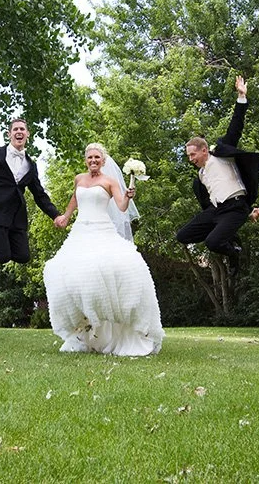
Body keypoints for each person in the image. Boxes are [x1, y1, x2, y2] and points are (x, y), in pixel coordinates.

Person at [43, 143, 164, 356]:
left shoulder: (110, 181)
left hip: (102, 230)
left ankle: (118, 334)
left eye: (97, 157)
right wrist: (65, 216)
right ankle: (84, 334)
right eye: (90, 157)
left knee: (113, 271)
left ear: (104, 160)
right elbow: (75, 198)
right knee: (66, 273)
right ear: (85, 160)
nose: (93, 161)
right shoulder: (79, 179)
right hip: (80, 232)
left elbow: (121, 206)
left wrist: (128, 195)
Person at [176, 76, 259, 277]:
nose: (190, 159)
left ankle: (234, 252)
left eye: (193, 154)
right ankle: (230, 236)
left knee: (212, 243)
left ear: (204, 150)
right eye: (188, 156)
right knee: (183, 236)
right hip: (216, 211)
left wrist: (241, 97)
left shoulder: (221, 155)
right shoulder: (200, 176)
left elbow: (235, 127)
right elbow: (206, 202)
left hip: (235, 206)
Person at [0, 118, 61, 264]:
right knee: (2, 257)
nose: (19, 132)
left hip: (17, 216)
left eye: (22, 129)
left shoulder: (31, 165)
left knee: (23, 257)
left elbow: (39, 195)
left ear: (28, 134)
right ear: (9, 134)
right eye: (15, 129)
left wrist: (56, 215)